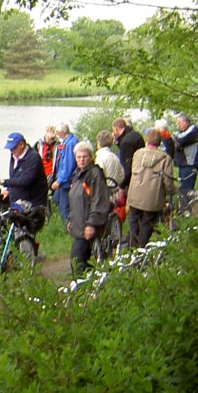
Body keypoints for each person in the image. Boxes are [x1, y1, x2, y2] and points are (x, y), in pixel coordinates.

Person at [67, 141, 111, 275]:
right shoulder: (77, 175)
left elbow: (98, 200)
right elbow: (74, 200)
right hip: (78, 225)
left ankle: (83, 287)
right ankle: (96, 281)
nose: (81, 160)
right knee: (81, 260)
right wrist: (70, 220)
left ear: (91, 157)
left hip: (88, 225)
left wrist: (91, 224)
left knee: (77, 260)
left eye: (84, 157)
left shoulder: (95, 174)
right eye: (79, 157)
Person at [126, 128, 175, 248]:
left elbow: (133, 172)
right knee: (147, 224)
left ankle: (131, 250)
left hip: (135, 195)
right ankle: (141, 250)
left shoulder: (137, 154)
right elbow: (167, 180)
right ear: (160, 142)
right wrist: (171, 191)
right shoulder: (165, 158)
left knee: (133, 223)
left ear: (146, 139)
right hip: (153, 198)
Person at [0, 130, 48, 211]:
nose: (11, 151)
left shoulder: (33, 157)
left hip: (33, 203)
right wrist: (9, 190)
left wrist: (3, 182)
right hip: (18, 201)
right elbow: (15, 176)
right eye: (10, 148)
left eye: (13, 148)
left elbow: (25, 180)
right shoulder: (14, 155)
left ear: (22, 145)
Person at [171, 113, 198, 209]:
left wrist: (174, 138)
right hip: (183, 164)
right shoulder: (182, 132)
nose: (178, 125)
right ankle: (183, 211)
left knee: (186, 190)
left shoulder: (193, 131)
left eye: (179, 123)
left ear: (185, 122)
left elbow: (179, 140)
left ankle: (186, 211)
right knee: (182, 190)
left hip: (190, 164)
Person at [48, 122, 78, 224]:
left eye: (57, 132)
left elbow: (68, 165)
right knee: (56, 198)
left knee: (63, 206)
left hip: (66, 182)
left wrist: (59, 181)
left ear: (62, 132)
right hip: (62, 180)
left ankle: (68, 228)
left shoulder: (70, 144)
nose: (56, 134)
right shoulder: (66, 142)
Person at [111, 117, 144, 189]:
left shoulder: (126, 142)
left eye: (113, 130)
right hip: (142, 173)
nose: (113, 133)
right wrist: (117, 142)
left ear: (116, 128)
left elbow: (126, 166)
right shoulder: (136, 135)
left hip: (132, 180)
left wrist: (122, 186)